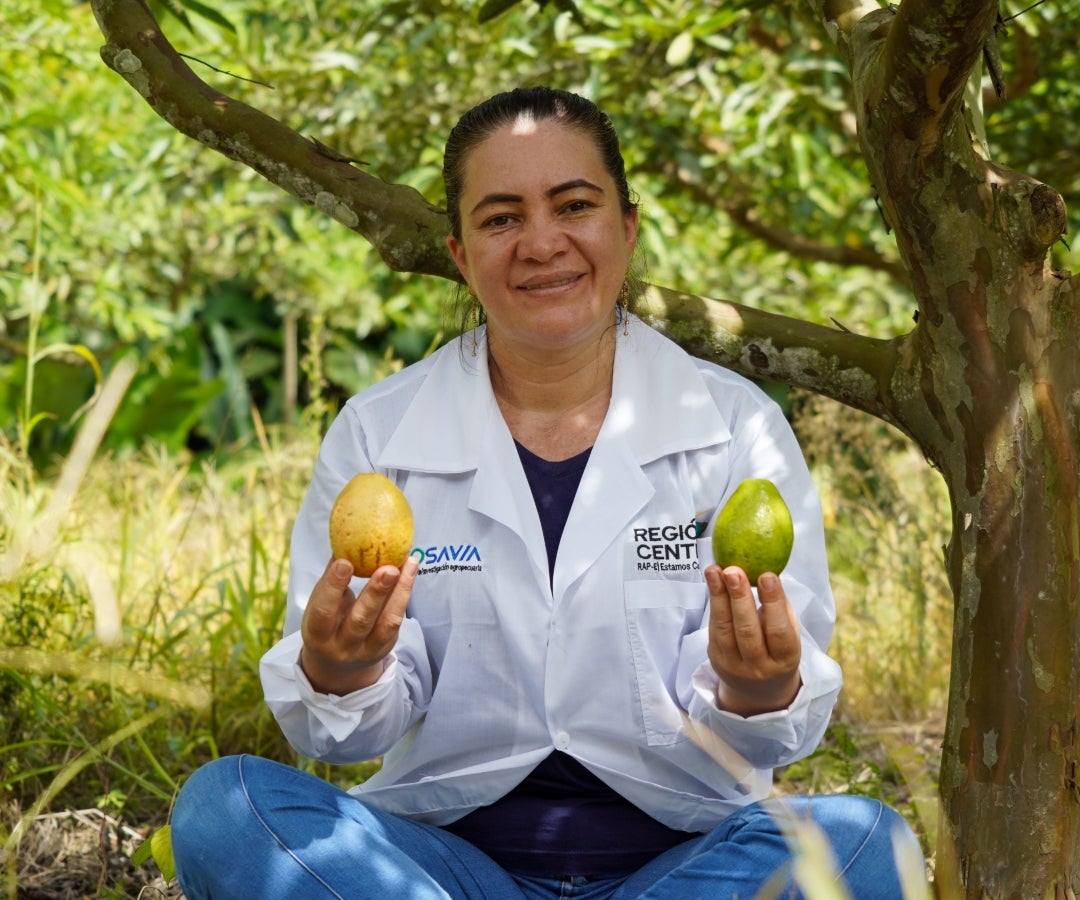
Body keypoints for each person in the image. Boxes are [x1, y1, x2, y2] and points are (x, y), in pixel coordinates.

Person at [171, 86, 923, 899]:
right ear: (461, 255)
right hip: (437, 869)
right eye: (500, 218)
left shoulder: (735, 429)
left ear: (627, 229)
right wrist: (337, 668)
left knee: (868, 841)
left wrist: (758, 686)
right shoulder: (379, 433)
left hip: (686, 866)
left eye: (573, 205)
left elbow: (784, 721)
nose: (541, 242)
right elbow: (347, 737)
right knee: (223, 809)